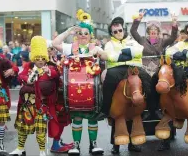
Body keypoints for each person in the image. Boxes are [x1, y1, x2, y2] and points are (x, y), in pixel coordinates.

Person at [92, 16, 152, 153]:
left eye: (120, 30)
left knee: (148, 80)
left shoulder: (131, 40)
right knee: (109, 81)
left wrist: (120, 54)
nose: (118, 33)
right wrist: (127, 54)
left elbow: (139, 50)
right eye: (115, 31)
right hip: (117, 70)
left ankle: (151, 108)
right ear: (111, 33)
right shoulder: (109, 44)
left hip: (134, 67)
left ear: (123, 30)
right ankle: (105, 109)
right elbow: (108, 55)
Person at [52, 9, 106, 155]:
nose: (82, 36)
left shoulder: (95, 47)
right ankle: (76, 145)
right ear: (76, 35)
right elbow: (55, 43)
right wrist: (68, 31)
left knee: (92, 118)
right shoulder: (71, 47)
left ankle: (93, 144)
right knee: (77, 118)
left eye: (86, 33)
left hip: (92, 92)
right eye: (80, 33)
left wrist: (100, 53)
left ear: (90, 36)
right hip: (74, 91)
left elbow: (107, 56)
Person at [130, 12, 179, 151]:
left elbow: (173, 37)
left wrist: (174, 23)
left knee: (160, 81)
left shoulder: (162, 41)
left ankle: (157, 108)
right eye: (151, 31)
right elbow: (133, 31)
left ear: (158, 33)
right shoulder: (142, 40)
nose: (153, 33)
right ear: (148, 32)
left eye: (155, 31)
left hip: (157, 68)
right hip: (145, 68)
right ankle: (149, 109)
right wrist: (137, 19)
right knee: (143, 82)